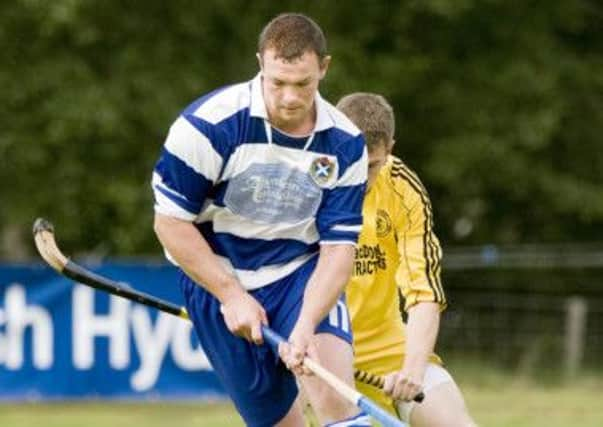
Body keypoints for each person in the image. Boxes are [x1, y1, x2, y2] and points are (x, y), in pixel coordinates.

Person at [152, 13, 372, 427]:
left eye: (303, 83)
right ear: (260, 64)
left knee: (335, 401)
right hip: (219, 279)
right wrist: (231, 294)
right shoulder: (207, 127)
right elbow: (170, 224)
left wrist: (305, 323)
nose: (289, 98)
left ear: (324, 68)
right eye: (278, 82)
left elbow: (339, 248)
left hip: (298, 275)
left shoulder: (345, 144)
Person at [336, 93, 477, 427]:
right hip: (317, 350)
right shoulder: (305, 178)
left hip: (390, 350)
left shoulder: (403, 187)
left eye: (372, 166)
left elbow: (424, 289)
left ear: (390, 149)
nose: (361, 179)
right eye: (353, 163)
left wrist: (412, 370)